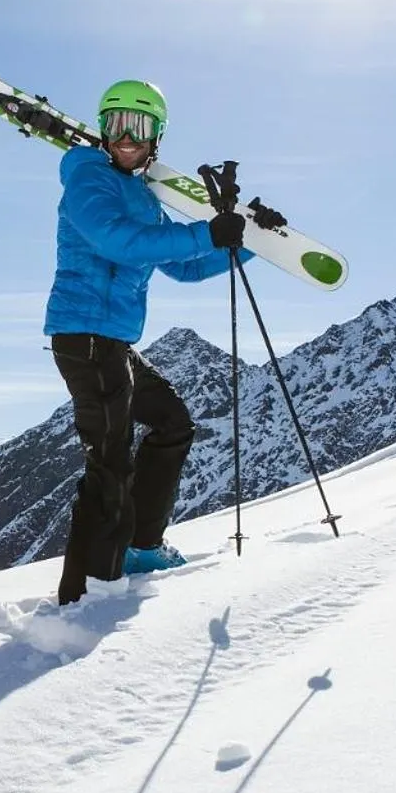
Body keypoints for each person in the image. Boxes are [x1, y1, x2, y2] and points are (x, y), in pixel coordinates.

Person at [43, 79, 249, 606]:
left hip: (114, 343)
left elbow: (179, 266)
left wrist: (240, 242)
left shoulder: (142, 195)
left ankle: (140, 546)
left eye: (140, 127)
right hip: (84, 337)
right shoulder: (89, 179)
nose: (127, 138)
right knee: (109, 464)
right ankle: (88, 590)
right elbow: (118, 241)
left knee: (172, 423)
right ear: (103, 129)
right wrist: (206, 231)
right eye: (117, 125)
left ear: (157, 137)